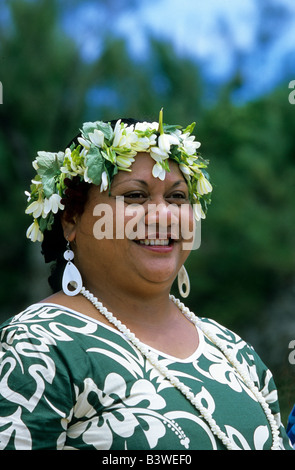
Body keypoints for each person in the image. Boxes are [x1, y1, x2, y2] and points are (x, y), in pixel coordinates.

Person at [0, 110, 292, 450]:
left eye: (177, 196)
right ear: (71, 220)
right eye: (135, 196)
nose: (163, 214)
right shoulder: (36, 345)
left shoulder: (234, 352)